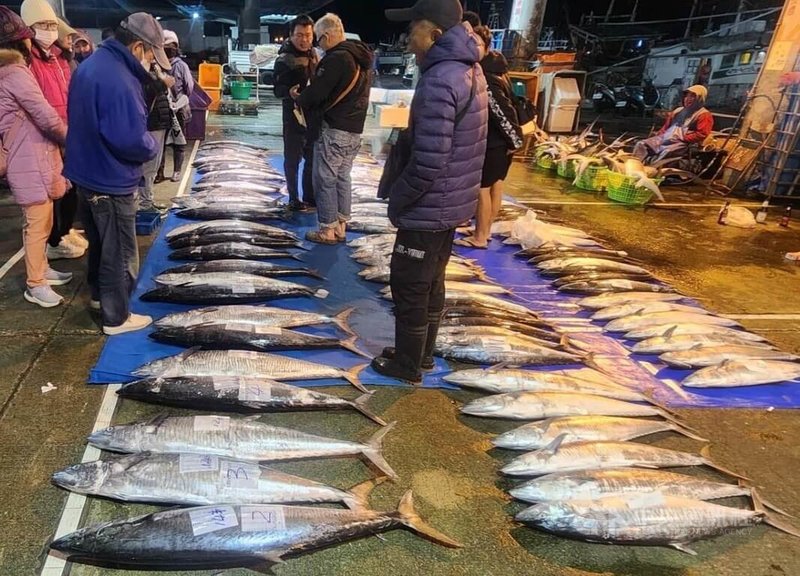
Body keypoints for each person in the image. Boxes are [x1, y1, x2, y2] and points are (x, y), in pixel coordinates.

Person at [371, 0, 488, 383]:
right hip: (451, 202)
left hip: (429, 203)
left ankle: (407, 365)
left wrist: (399, 199)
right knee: (431, 279)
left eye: (413, 30)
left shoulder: (440, 79)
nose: (407, 38)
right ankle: (420, 354)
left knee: (409, 282)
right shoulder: (469, 69)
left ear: (435, 35)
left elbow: (430, 160)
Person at [64, 12, 169, 335]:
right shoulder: (120, 80)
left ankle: (99, 296)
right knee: (120, 251)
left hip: (86, 173)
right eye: (151, 52)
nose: (152, 59)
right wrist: (151, 145)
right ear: (138, 46)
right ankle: (116, 316)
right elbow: (128, 138)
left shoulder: (94, 64)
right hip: (110, 179)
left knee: (100, 244)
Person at [0, 7, 71, 307]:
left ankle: (42, 269)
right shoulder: (15, 73)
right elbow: (45, 116)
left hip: (31, 155)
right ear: (21, 41)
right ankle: (35, 283)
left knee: (43, 218)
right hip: (28, 157)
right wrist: (74, 139)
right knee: (37, 222)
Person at [293, 13, 373, 244]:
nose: (318, 44)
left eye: (318, 39)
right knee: (342, 177)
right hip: (354, 130)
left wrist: (300, 97)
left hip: (334, 129)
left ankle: (327, 230)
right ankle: (341, 226)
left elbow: (317, 93)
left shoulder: (337, 58)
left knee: (325, 178)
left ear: (327, 36)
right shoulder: (362, 58)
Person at [20, 0, 86, 260]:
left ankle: (63, 231)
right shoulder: (28, 60)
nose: (49, 30)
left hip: (68, 133)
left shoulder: (60, 58)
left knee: (70, 190)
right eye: (42, 25)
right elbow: (34, 104)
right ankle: (53, 242)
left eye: (51, 25)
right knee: (48, 199)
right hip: (44, 138)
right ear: (28, 28)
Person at [454, 25, 522, 249]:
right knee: (495, 185)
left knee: (482, 188)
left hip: (494, 142)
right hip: (502, 143)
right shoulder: (501, 71)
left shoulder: (488, 77)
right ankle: (485, 230)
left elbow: (503, 112)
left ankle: (480, 236)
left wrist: (514, 140)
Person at [273, 14, 319, 212]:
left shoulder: (315, 55)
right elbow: (276, 89)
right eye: (299, 35)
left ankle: (309, 197)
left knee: (312, 158)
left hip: (314, 116)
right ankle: (293, 197)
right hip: (293, 116)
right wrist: (289, 93)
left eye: (308, 35)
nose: (304, 40)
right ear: (291, 35)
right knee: (292, 159)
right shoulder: (284, 59)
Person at [633, 84, 713, 163]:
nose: (688, 99)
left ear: (700, 98)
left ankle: (652, 170)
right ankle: (635, 166)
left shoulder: (704, 115)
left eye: (692, 96)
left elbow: (702, 134)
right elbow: (666, 127)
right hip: (665, 138)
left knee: (666, 151)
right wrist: (658, 136)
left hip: (683, 143)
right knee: (642, 144)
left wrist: (682, 138)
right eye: (687, 96)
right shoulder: (678, 111)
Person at [155, 29, 194, 183]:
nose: (168, 50)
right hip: (162, 110)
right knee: (161, 143)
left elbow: (189, 88)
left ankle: (177, 171)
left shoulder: (181, 66)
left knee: (179, 141)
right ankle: (159, 172)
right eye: (165, 47)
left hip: (178, 110)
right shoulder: (157, 65)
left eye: (171, 47)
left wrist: (178, 103)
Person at [138, 63, 174, 212]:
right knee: (147, 167)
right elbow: (145, 93)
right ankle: (143, 204)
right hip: (151, 125)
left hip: (160, 123)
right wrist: (162, 83)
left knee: (153, 166)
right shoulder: (139, 71)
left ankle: (147, 200)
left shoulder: (154, 69)